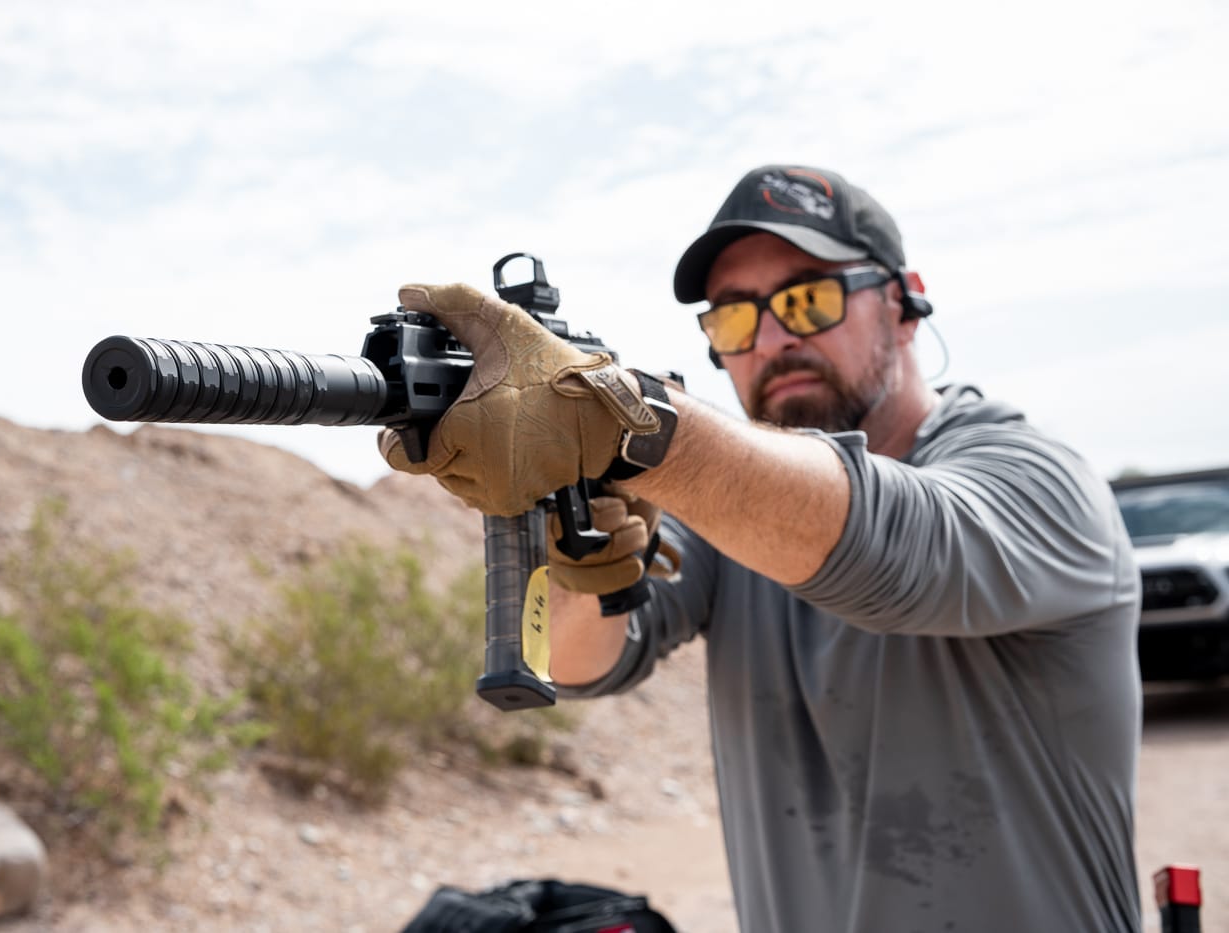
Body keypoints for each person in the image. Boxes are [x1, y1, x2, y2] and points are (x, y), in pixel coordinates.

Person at [380, 164, 1142, 932]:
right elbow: (585, 661)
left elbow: (898, 550)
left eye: (808, 300)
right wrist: (583, 556)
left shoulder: (1040, 482)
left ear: (904, 303)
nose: (773, 339)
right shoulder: (726, 510)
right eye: (736, 319)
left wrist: (633, 421)